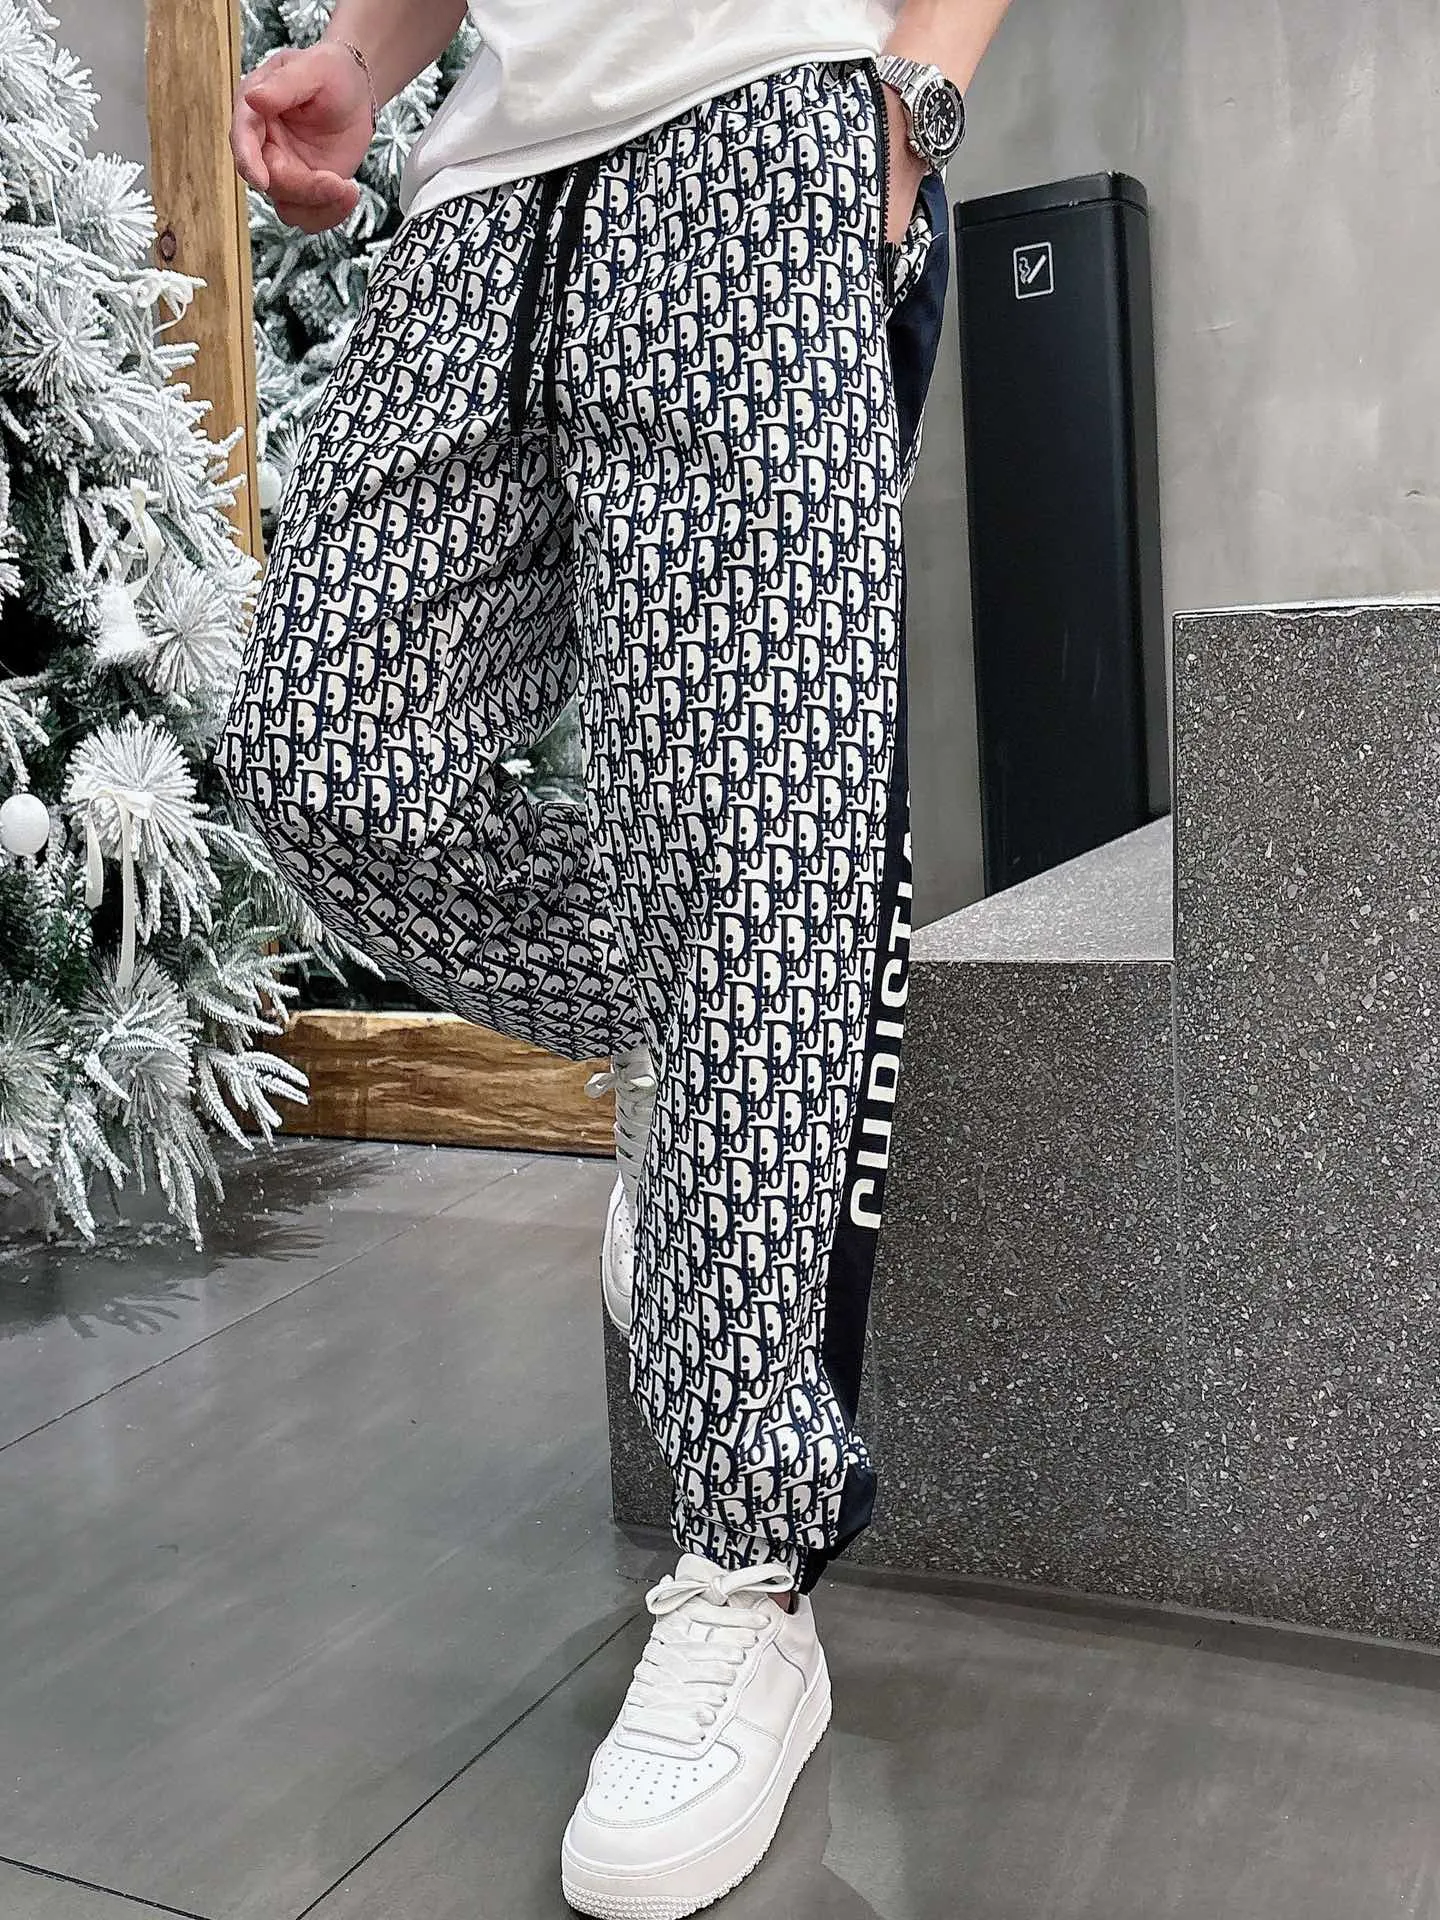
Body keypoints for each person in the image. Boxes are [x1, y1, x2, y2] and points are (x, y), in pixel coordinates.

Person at [220, 2, 1012, 1912]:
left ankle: (746, 1578)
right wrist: (369, 59)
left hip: (767, 127)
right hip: (489, 181)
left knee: (749, 830)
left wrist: (907, 114)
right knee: (320, 748)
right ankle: (713, 1019)